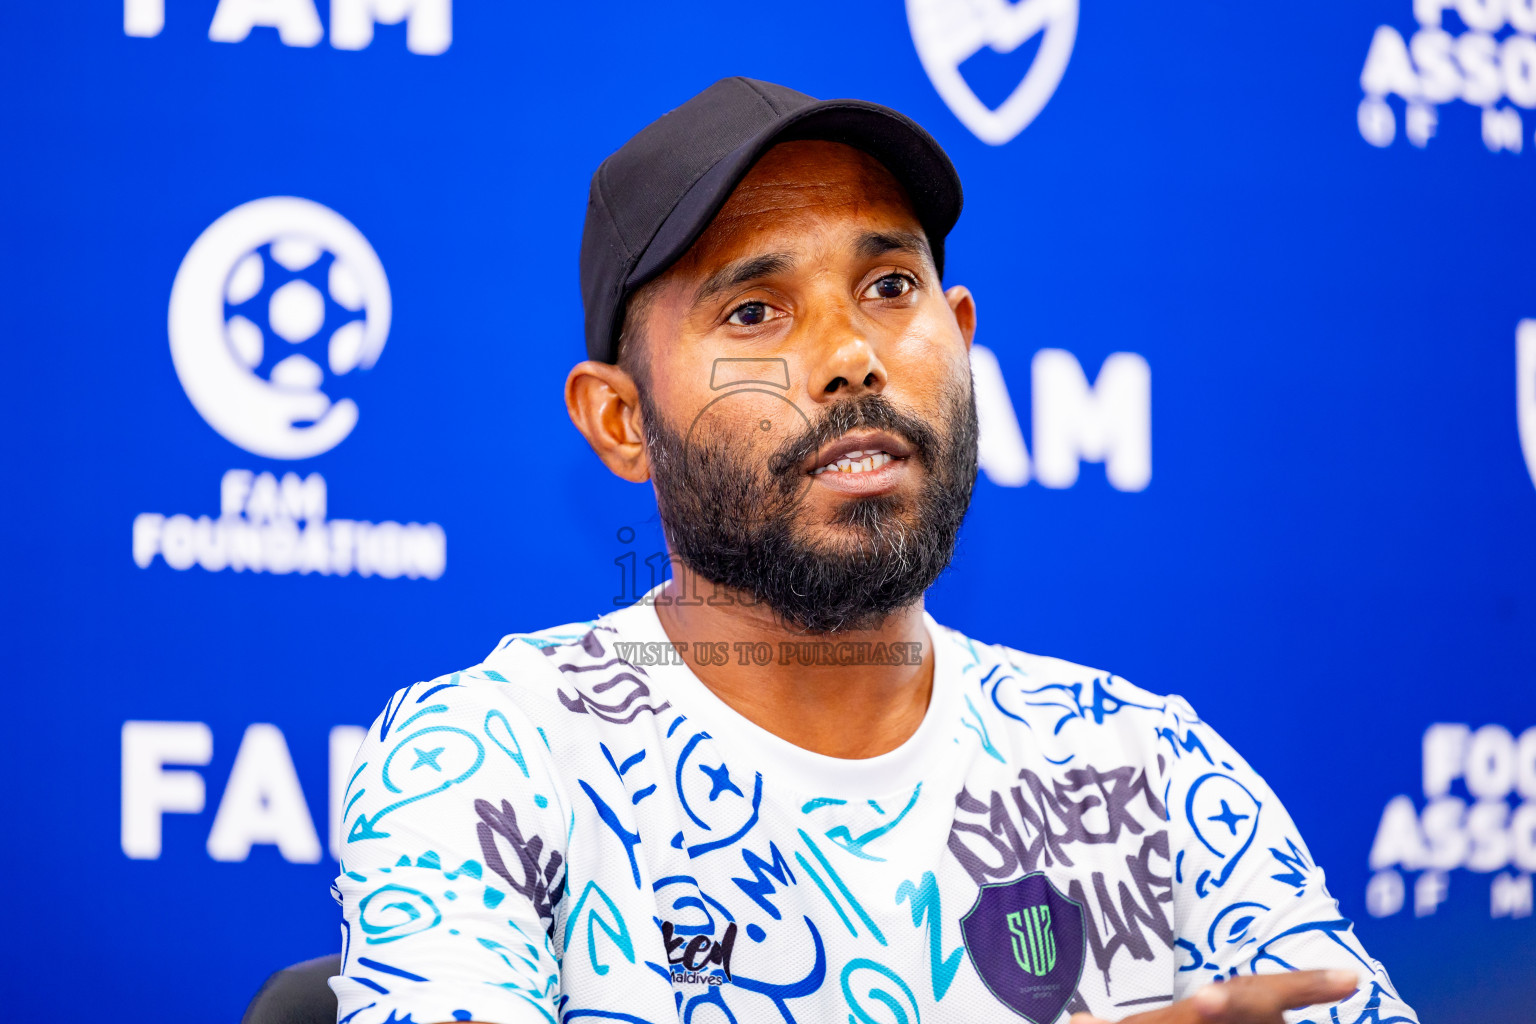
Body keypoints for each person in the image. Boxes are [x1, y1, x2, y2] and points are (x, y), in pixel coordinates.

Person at [329, 78, 1417, 1024]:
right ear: (621, 422)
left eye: (890, 288)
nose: (850, 355)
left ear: (962, 333)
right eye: (755, 310)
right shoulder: (491, 756)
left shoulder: (1146, 767)